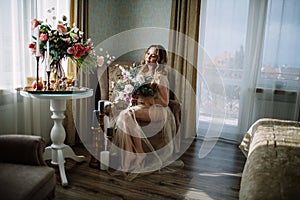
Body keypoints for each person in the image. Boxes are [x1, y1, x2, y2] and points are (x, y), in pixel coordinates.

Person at [110, 45, 180, 180]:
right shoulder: (139, 72)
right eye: (148, 53)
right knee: (125, 115)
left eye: (153, 55)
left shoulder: (160, 76)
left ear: (159, 59)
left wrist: (149, 100)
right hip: (142, 107)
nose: (149, 57)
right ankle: (133, 153)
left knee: (125, 115)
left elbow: (165, 102)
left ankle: (135, 154)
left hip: (159, 110)